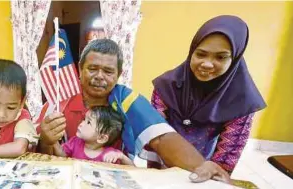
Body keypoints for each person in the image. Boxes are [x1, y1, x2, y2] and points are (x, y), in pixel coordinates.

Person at [38, 38, 231, 183]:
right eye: (92, 68)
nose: (99, 76)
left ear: (118, 75)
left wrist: (200, 167)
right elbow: (36, 155)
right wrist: (45, 140)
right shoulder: (55, 106)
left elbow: (162, 137)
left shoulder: (127, 100)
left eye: (108, 71)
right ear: (80, 71)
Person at [151, 15, 266, 173]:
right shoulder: (166, 85)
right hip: (161, 162)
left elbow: (228, 154)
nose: (206, 64)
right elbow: (153, 131)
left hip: (204, 168)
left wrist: (211, 174)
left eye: (220, 57)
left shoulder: (241, 100)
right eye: (200, 54)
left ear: (235, 58)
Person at [53, 106, 133, 165]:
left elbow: (133, 169)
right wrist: (53, 141)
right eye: (84, 119)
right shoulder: (75, 142)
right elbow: (62, 155)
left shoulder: (110, 154)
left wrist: (122, 157)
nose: (81, 124)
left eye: (88, 122)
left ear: (101, 138)